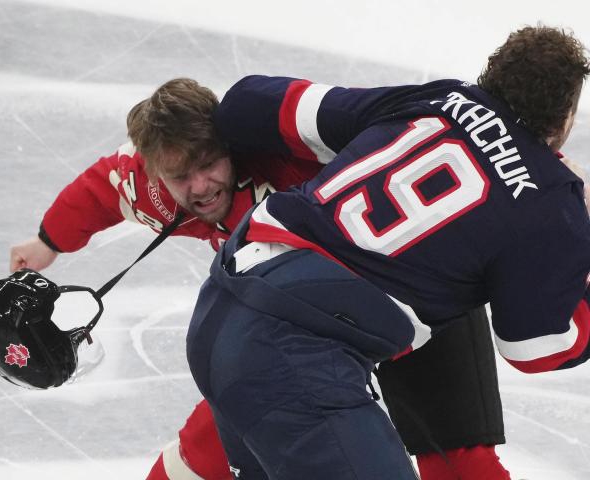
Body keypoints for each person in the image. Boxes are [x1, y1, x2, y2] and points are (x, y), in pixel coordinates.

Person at [12, 78, 511, 479]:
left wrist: (532, 179)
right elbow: (100, 190)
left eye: (209, 165)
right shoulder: (150, 189)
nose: (200, 188)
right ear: (153, 174)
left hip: (413, 297)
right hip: (306, 325)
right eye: (180, 177)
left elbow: (423, 136)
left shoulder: (290, 150)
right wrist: (48, 242)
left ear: (229, 145)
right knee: (207, 448)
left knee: (462, 463)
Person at [185, 25, 590, 479]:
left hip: (221, 304)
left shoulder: (436, 99)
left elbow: (244, 106)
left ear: (491, 76)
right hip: (296, 354)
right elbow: (536, 349)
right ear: (564, 118)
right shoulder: (552, 199)